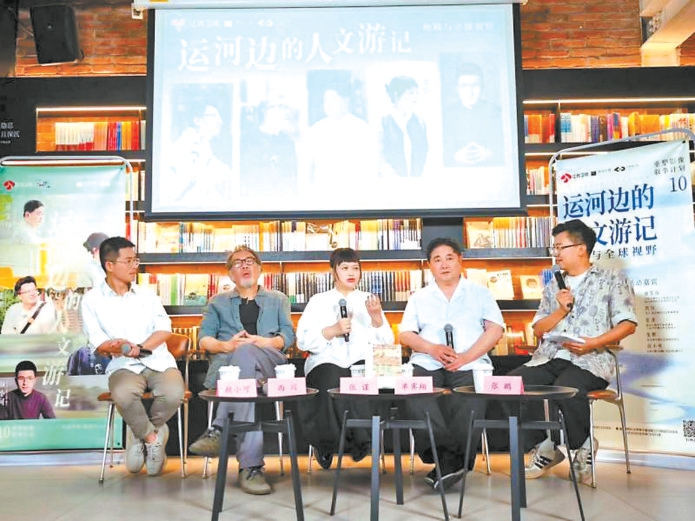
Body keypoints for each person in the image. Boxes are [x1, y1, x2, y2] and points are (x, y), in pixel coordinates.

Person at [509, 219, 637, 485]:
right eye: (554, 247)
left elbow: (628, 324)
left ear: (581, 248)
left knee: (567, 388)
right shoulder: (554, 285)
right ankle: (545, 446)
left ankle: (583, 447)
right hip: (551, 356)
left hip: (591, 359)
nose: (555, 253)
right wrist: (560, 310)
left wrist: (594, 342)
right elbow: (539, 329)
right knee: (510, 386)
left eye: (560, 247)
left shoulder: (612, 279)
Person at [399, 237, 504, 490]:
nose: (444, 264)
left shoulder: (480, 293)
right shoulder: (419, 297)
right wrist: (432, 349)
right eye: (437, 260)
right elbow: (405, 335)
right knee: (415, 391)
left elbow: (495, 330)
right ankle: (451, 458)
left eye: (449, 258)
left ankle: (447, 462)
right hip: (428, 360)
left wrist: (466, 357)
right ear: (430, 266)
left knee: (469, 398)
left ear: (460, 260)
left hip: (470, 361)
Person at [188, 245, 294, 495]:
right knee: (247, 382)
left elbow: (288, 337)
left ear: (259, 268)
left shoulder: (278, 299)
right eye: (238, 263)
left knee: (246, 354)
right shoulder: (217, 302)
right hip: (231, 370)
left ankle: (218, 428)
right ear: (230, 274)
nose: (244, 265)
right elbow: (204, 340)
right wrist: (227, 346)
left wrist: (263, 342)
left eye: (250, 261)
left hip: (269, 363)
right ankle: (251, 467)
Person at [81, 236, 184, 477]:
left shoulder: (147, 295)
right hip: (123, 364)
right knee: (123, 394)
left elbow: (164, 329)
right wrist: (116, 346)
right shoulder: (92, 300)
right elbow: (97, 341)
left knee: (174, 393)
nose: (134, 266)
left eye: (135, 260)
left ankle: (140, 432)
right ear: (109, 265)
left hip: (158, 360)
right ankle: (152, 438)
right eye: (128, 261)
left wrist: (141, 347)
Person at [296, 248, 394, 469]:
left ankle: (361, 441)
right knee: (331, 378)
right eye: (345, 268)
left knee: (359, 379)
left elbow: (386, 343)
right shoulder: (318, 301)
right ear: (334, 272)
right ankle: (326, 444)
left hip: (361, 359)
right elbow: (302, 341)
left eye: (355, 268)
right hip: (326, 359)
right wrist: (332, 330)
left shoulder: (368, 300)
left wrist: (377, 318)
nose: (351, 273)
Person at [302, 84, 377, 187]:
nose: (328, 104)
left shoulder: (361, 128)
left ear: (345, 100)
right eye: (325, 100)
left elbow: (370, 166)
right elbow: (308, 166)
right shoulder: (316, 129)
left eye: (333, 99)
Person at [162, 104, 236, 207]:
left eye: (219, 116)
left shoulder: (205, 146)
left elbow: (223, 173)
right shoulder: (186, 145)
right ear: (197, 121)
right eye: (213, 116)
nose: (220, 121)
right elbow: (179, 184)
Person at [442, 63, 503, 167]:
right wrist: (455, 156)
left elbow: (506, 148)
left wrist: (490, 154)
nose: (469, 92)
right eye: (464, 86)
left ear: (482, 87)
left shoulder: (497, 113)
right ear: (457, 88)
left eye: (475, 85)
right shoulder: (445, 115)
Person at [380, 76, 428, 177]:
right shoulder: (384, 122)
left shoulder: (419, 122)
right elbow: (378, 155)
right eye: (411, 93)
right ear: (396, 95)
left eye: (417, 93)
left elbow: (425, 152)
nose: (416, 97)